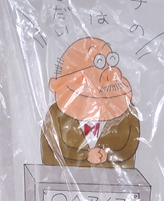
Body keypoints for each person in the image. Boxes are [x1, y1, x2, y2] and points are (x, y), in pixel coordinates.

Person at [41, 37, 140, 168]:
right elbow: (53, 146)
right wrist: (86, 155)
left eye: (111, 60)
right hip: (62, 177)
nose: (111, 74)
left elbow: (129, 145)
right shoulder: (55, 114)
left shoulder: (127, 114)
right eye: (99, 63)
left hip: (116, 179)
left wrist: (107, 155)